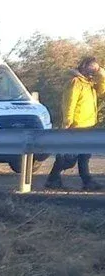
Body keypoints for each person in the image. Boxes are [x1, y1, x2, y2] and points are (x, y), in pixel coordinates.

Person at [46, 56, 105, 191]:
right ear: (83, 66)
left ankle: (87, 181)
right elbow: (69, 103)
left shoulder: (89, 84)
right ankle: (53, 178)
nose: (93, 70)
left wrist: (100, 71)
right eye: (91, 67)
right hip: (76, 126)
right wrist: (67, 123)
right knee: (70, 157)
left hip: (89, 124)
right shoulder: (75, 82)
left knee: (84, 155)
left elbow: (103, 89)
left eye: (95, 67)